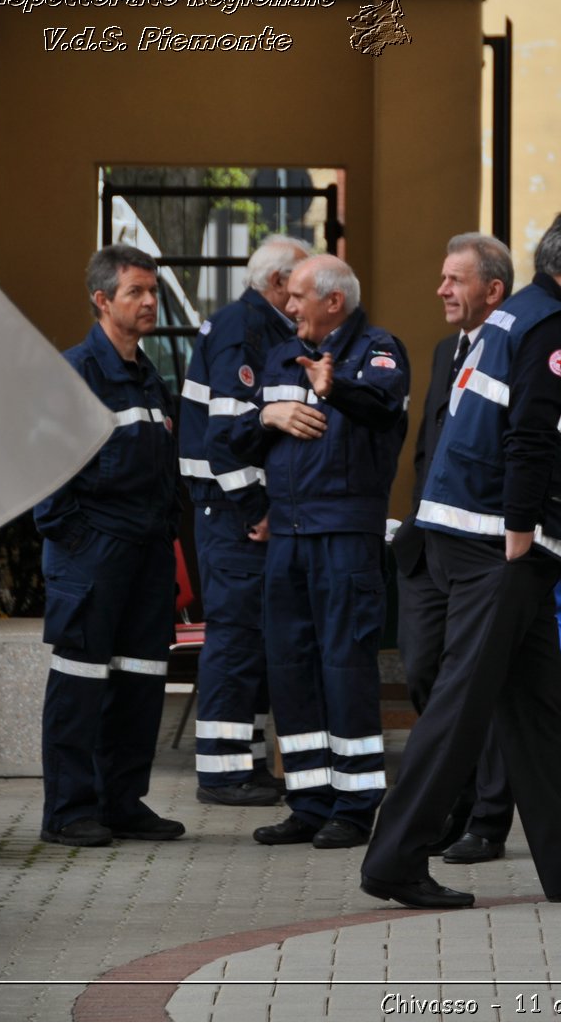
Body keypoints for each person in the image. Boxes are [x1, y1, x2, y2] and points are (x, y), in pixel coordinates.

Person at [361, 206, 561, 909]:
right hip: (502, 543)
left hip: (482, 536)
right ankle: (395, 858)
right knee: (462, 705)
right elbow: (530, 432)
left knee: (534, 707)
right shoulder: (548, 321)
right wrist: (520, 529)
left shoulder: (515, 314)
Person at [229, 255, 409, 850]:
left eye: (300, 296)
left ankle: (355, 807)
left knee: (345, 667)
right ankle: (308, 801)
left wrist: (339, 387)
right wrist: (268, 414)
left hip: (344, 538)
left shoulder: (379, 349)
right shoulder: (281, 355)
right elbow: (229, 440)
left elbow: (383, 409)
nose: (289, 304)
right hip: (289, 537)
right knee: (291, 667)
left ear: (334, 301)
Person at [35, 244, 183, 848]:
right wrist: (78, 543)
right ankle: (69, 811)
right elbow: (47, 473)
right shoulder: (74, 374)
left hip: (146, 556)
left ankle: (122, 802)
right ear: (103, 300)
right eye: (136, 293)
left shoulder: (150, 377)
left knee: (142, 682)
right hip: (92, 557)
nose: (149, 301)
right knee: (79, 684)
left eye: (153, 291)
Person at [392, 233, 517, 866]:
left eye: (455, 280)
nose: (441, 289)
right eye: (443, 277)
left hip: (482, 549)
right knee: (424, 673)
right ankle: (458, 798)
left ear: (492, 291)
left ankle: (488, 821)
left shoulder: (515, 353)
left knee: (482, 687)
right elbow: (427, 448)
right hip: (427, 547)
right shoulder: (446, 352)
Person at [179, 234, 308, 807]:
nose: (307, 297)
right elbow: (226, 437)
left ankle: (244, 763)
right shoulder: (244, 329)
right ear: (278, 284)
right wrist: (256, 510)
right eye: (302, 285)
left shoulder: (259, 327)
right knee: (234, 638)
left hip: (232, 509)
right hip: (231, 512)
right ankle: (224, 773)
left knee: (251, 636)